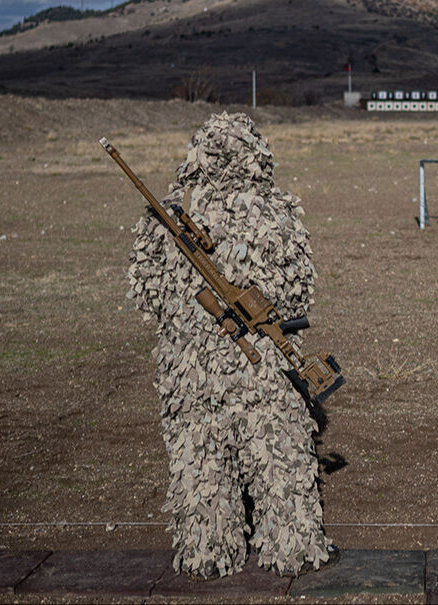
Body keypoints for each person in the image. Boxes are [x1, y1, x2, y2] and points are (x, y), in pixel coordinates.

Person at [127, 112, 335, 578]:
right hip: (262, 369)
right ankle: (293, 550)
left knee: (199, 463)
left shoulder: (167, 214)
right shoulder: (276, 211)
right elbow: (299, 292)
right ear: (256, 156)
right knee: (279, 459)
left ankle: (208, 553)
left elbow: (147, 293)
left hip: (189, 369)